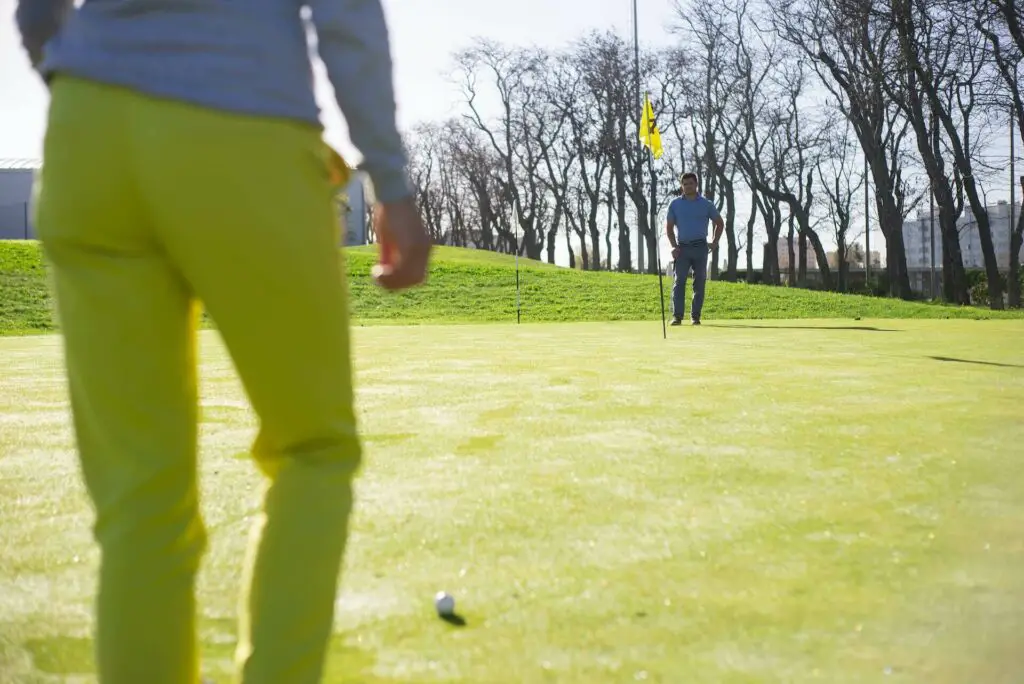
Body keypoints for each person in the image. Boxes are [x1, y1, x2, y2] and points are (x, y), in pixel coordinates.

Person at [15, 1, 432, 682]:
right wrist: (391, 180)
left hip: (87, 132)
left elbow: (37, 14)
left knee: (139, 501)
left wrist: (86, 79)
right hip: (245, 129)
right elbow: (346, 19)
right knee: (314, 449)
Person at [665, 172, 724, 326]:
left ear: (696, 184)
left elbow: (719, 223)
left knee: (699, 283)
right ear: (681, 186)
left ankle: (695, 316)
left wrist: (714, 241)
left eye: (690, 183)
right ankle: (677, 316)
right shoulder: (675, 204)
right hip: (682, 249)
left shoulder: (706, 204)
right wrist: (673, 246)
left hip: (700, 248)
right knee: (680, 282)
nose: (688, 186)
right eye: (685, 184)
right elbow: (669, 228)